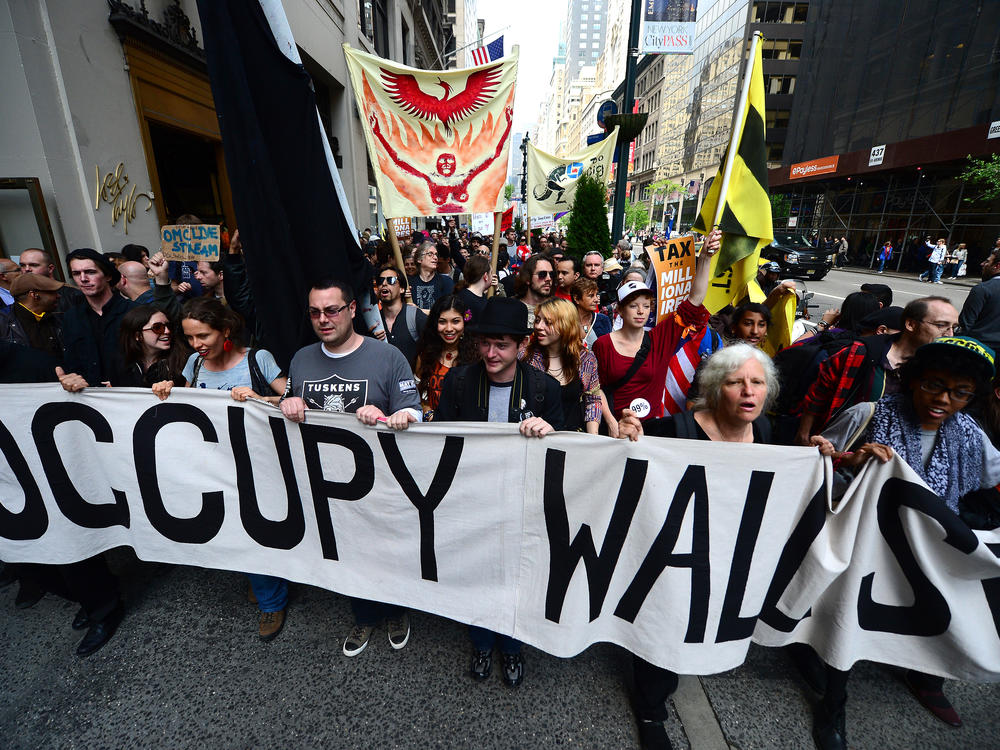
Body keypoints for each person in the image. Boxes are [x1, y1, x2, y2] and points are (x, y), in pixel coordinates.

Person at [809, 336, 1000, 749]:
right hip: (866, 546)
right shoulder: (869, 415)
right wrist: (850, 460)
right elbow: (816, 467)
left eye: (960, 392)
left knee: (943, 610)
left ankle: (928, 681)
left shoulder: (971, 436)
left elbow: (990, 481)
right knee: (850, 621)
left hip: (930, 551)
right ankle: (833, 702)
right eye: (934, 384)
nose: (943, 399)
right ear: (914, 379)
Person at [616, 344, 779, 750]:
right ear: (713, 388)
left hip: (724, 552)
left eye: (757, 382)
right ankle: (651, 708)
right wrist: (629, 433)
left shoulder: (768, 433)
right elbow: (627, 459)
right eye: (735, 382)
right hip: (673, 555)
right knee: (665, 623)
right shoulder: (674, 430)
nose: (748, 392)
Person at [278, 279, 421, 657]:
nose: (323, 319)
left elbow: (414, 413)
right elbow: (290, 405)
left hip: (381, 482)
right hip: (326, 483)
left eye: (332, 310)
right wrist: (288, 403)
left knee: (387, 548)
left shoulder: (388, 357)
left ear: (352, 309)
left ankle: (396, 610)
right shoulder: (302, 358)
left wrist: (390, 415)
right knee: (346, 552)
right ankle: (364, 614)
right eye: (315, 312)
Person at [435, 297, 563, 687]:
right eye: (486, 343)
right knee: (476, 574)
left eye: (502, 344)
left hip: (520, 502)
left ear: (521, 346)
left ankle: (511, 646)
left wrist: (549, 431)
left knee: (514, 579)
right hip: (471, 500)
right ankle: (481, 642)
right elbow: (438, 438)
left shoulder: (543, 388)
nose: (491, 353)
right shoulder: (459, 380)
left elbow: (565, 447)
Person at [151, 298, 288, 641]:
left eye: (203, 336)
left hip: (258, 464)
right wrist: (167, 392)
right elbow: (185, 406)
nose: (196, 345)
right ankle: (264, 580)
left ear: (224, 331)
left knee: (256, 528)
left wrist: (260, 399)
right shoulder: (195, 364)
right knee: (235, 530)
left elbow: (293, 398)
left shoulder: (257, 359)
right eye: (190, 338)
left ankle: (272, 601)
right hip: (212, 464)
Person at [593, 229, 721, 423]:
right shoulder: (603, 344)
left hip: (650, 431)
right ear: (619, 309)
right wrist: (611, 423)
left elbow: (695, 298)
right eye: (633, 306)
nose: (640, 311)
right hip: (614, 431)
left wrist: (704, 257)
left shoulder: (660, 339)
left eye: (646, 306)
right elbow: (596, 389)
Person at [794, 296, 960, 444]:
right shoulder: (860, 352)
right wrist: (804, 434)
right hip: (841, 447)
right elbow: (820, 392)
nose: (950, 334)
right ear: (910, 324)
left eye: (954, 327)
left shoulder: (937, 368)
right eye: (941, 326)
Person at [524, 298, 602, 433]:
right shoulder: (526, 357)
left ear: (565, 325)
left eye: (548, 322)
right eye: (537, 320)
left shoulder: (585, 359)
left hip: (572, 438)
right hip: (535, 437)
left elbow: (592, 400)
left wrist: (592, 439)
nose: (538, 326)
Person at [414, 294, 479, 420]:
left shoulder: (477, 357)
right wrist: (428, 413)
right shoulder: (425, 356)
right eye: (442, 322)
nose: (449, 329)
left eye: (455, 321)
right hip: (433, 432)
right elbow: (416, 396)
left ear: (465, 323)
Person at [116, 305, 188, 388]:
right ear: (138, 335)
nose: (167, 331)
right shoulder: (122, 363)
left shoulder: (184, 361)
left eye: (169, 326)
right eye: (158, 328)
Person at [0, 273, 63, 359]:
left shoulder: (57, 317)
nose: (58, 296)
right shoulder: (3, 322)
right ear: (34, 295)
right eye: (52, 292)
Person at [375, 264, 426, 367]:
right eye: (380, 281)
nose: (384, 284)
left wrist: (418, 376)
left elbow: (432, 349)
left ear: (402, 289)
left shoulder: (415, 316)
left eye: (391, 280)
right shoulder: (374, 322)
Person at [958, 245, 1000, 352]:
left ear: (997, 266)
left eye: (987, 262)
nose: (983, 264)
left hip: (980, 351)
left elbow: (966, 324)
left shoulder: (983, 289)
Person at [18, 248, 84, 312]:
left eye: (34, 265)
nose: (27, 269)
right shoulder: (19, 295)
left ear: (50, 268)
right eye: (22, 265)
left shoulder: (73, 295)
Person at [408, 240, 454, 311]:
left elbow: (447, 312)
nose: (435, 258)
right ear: (419, 259)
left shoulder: (446, 281)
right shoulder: (409, 283)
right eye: (430, 254)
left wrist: (418, 311)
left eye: (436, 254)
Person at [514, 253, 555, 328]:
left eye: (551, 274)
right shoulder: (512, 308)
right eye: (542, 274)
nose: (549, 279)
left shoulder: (558, 309)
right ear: (527, 278)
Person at [570, 278, 612, 348]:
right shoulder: (566, 321)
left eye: (596, 295)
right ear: (576, 298)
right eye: (591, 296)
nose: (596, 300)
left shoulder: (603, 320)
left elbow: (608, 349)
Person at [455, 254, 492, 323]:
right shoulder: (464, 299)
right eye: (491, 273)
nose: (492, 276)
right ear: (486, 276)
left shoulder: (482, 297)